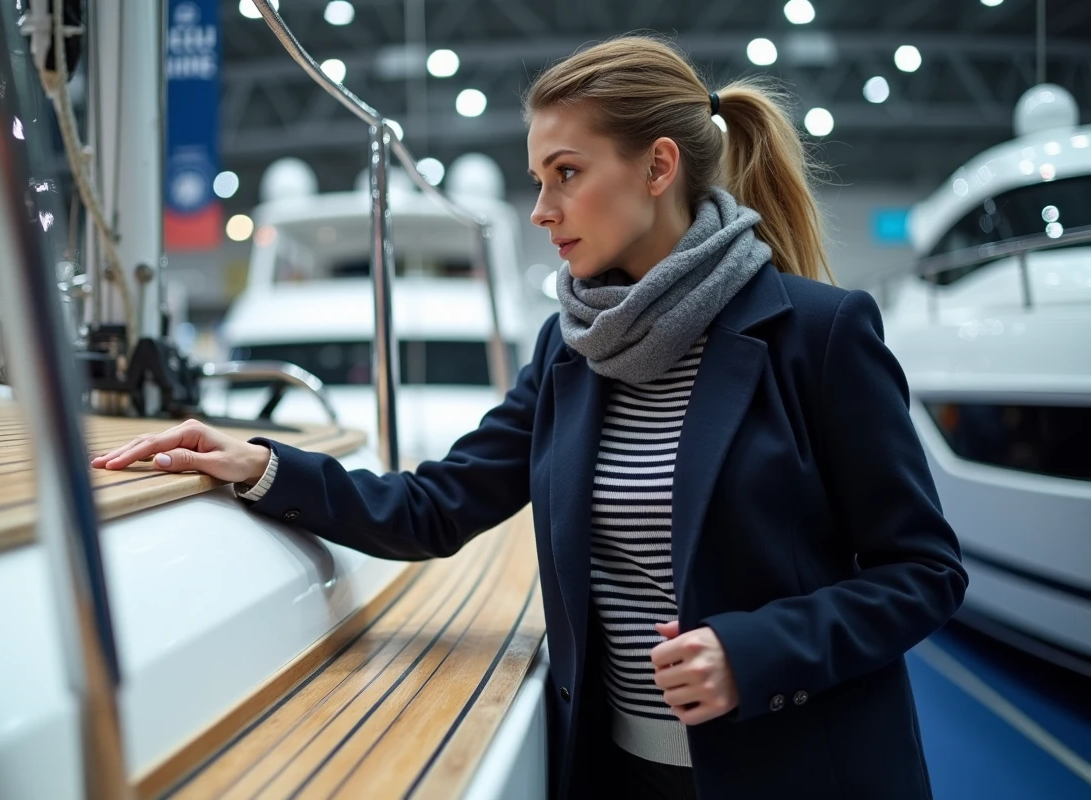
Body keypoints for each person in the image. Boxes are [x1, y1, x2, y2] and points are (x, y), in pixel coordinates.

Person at [94, 35, 966, 800]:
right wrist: (262, 465)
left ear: (658, 168)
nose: (541, 210)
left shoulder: (817, 333)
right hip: (618, 773)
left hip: (796, 772)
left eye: (567, 175)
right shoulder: (570, 350)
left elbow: (923, 570)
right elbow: (436, 504)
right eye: (537, 180)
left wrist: (758, 650)